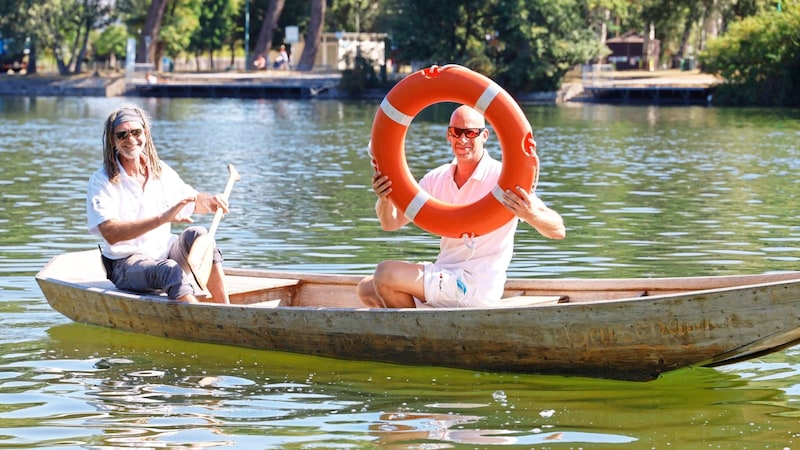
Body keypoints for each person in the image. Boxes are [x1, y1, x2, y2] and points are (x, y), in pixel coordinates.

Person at [357, 105, 565, 308]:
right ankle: (423, 329)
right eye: (456, 132)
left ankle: (416, 335)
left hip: (475, 285)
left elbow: (558, 231)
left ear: (484, 136)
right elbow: (390, 223)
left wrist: (530, 214)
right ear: (448, 135)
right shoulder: (436, 179)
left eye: (471, 132)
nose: (463, 140)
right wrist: (384, 199)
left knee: (386, 274)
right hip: (444, 272)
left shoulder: (503, 179)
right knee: (366, 288)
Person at [87, 105, 231, 304]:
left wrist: (211, 202)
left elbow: (192, 200)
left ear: (145, 133)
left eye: (136, 132)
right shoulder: (102, 180)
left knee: (200, 235)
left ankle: (226, 310)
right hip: (124, 263)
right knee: (169, 269)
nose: (130, 139)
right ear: (113, 140)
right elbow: (111, 233)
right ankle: (202, 321)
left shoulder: (159, 169)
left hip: (164, 253)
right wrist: (162, 219)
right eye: (122, 135)